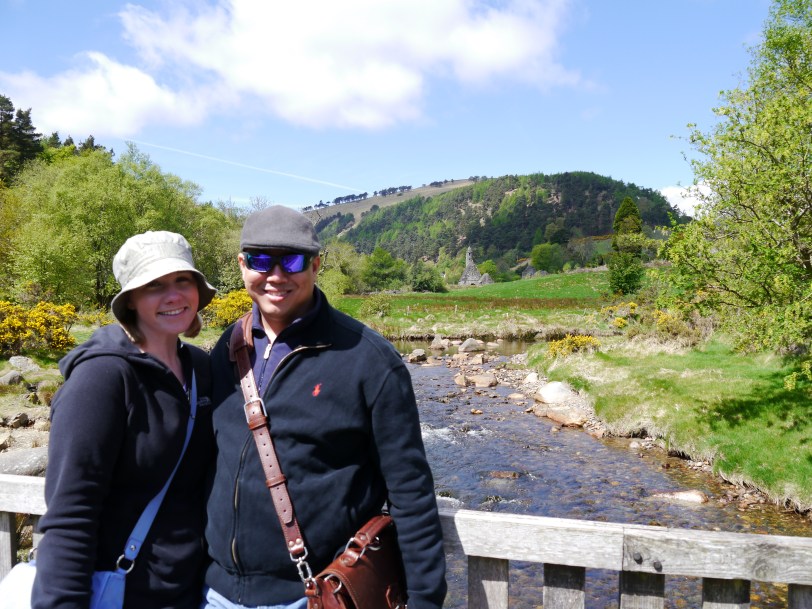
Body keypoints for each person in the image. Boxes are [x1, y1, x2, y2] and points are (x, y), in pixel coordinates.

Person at [203, 206, 447, 609]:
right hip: (214, 594)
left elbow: (411, 492)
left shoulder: (368, 360)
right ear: (242, 265)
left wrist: (423, 600)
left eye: (293, 261)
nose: (276, 276)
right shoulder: (229, 348)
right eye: (261, 260)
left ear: (316, 265)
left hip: (312, 596)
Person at [32, 231, 217, 609]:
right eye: (154, 285)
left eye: (183, 280)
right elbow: (71, 514)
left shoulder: (200, 368)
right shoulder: (101, 379)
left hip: (192, 593)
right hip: (121, 593)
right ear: (130, 299)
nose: (173, 295)